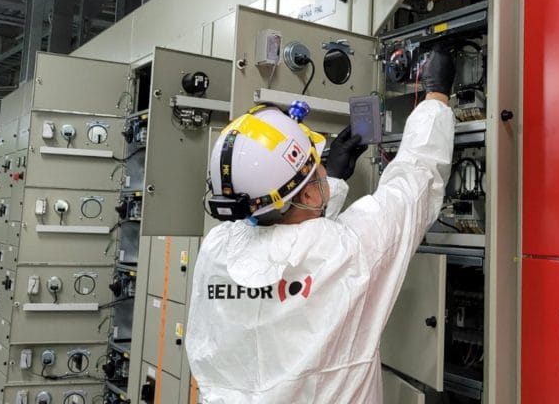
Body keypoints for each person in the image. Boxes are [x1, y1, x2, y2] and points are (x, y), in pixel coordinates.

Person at [186, 47, 456, 403]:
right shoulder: (348, 251)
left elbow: (291, 241)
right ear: (310, 195)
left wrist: (334, 181)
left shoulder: (216, 249)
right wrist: (436, 97)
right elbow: (415, 180)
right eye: (319, 167)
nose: (324, 169)